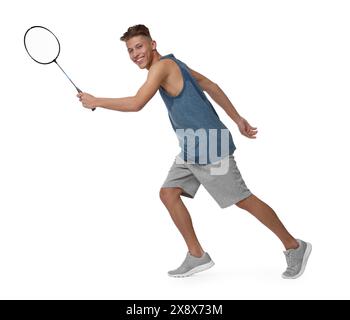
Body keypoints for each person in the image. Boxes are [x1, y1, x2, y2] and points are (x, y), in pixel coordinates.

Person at [77, 24, 312, 279]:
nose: (135, 54)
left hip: (210, 144)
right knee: (168, 194)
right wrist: (237, 118)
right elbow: (210, 85)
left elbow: (136, 103)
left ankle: (294, 246)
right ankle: (197, 254)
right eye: (130, 50)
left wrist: (96, 101)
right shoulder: (173, 63)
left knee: (242, 199)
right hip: (191, 146)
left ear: (152, 44)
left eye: (139, 46)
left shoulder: (161, 68)